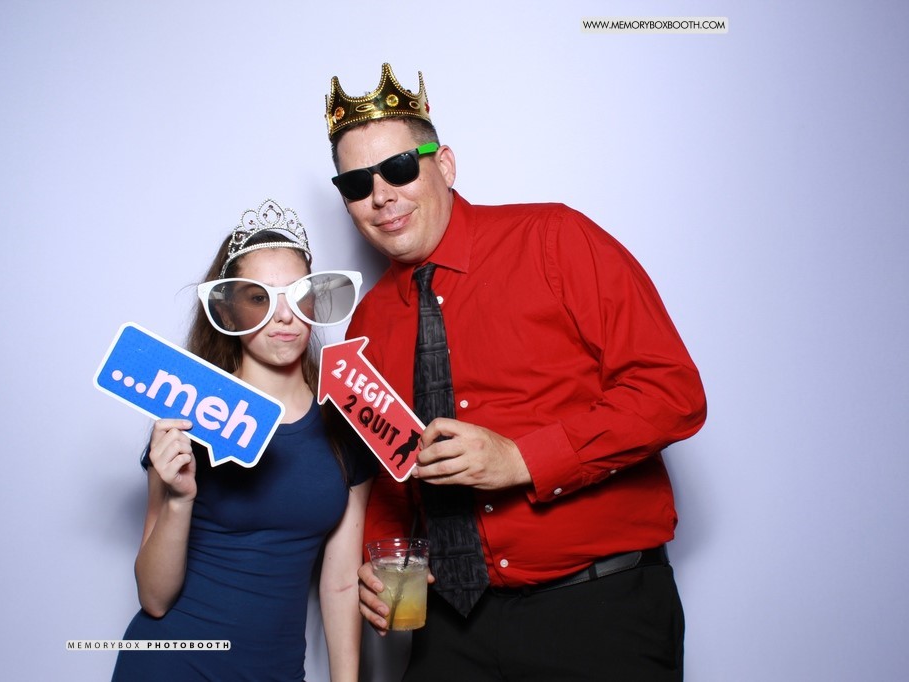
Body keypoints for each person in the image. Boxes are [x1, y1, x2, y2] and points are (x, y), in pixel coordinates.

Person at [324, 64, 707, 680]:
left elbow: (672, 394)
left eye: (399, 168)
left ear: (445, 165)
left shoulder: (554, 238)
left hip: (596, 613)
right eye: (356, 183)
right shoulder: (365, 325)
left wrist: (524, 459)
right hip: (451, 628)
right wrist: (381, 558)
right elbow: (393, 476)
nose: (382, 195)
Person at [111, 199, 375, 681]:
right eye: (259, 297)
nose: (284, 315)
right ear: (228, 312)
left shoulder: (346, 422)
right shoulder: (189, 414)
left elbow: (339, 585)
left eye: (298, 294)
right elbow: (153, 597)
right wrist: (179, 500)